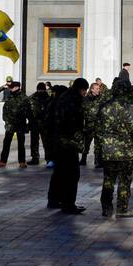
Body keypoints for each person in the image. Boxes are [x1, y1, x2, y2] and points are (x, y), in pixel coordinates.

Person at [97, 70, 133, 218]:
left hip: (108, 150)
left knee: (108, 180)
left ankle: (106, 208)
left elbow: (98, 130)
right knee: (124, 181)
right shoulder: (128, 107)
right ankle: (122, 208)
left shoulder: (104, 106)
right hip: (125, 150)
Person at [47, 77, 88, 214]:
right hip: (68, 141)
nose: (85, 93)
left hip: (58, 140)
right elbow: (73, 122)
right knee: (72, 174)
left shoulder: (63, 97)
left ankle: (53, 200)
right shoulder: (74, 100)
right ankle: (68, 203)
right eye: (85, 91)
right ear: (81, 89)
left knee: (59, 172)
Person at [0, 78, 33, 167]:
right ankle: (3, 161)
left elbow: (28, 112)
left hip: (20, 124)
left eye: (12, 87)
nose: (10, 89)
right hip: (10, 124)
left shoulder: (24, 98)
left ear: (17, 87)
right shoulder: (10, 97)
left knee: (21, 144)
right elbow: (5, 109)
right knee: (6, 143)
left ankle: (22, 161)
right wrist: (6, 120)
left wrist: (28, 123)